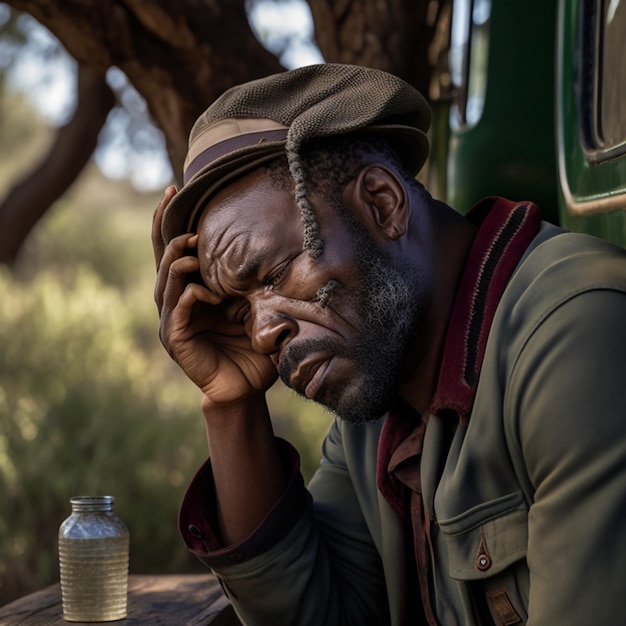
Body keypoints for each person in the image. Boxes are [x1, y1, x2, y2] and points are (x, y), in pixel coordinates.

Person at [151, 64, 626, 626]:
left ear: (381, 203)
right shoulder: (373, 412)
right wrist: (232, 405)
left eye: (275, 274)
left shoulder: (576, 331)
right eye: (239, 309)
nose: (260, 334)